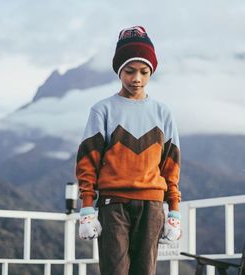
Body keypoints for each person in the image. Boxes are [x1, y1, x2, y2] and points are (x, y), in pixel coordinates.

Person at [75, 25, 181, 275]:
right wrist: (87, 206)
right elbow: (87, 161)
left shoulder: (163, 113)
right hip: (113, 204)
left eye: (144, 72)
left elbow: (171, 165)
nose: (137, 78)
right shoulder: (103, 110)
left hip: (152, 205)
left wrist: (174, 209)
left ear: (151, 72)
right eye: (130, 71)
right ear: (119, 71)